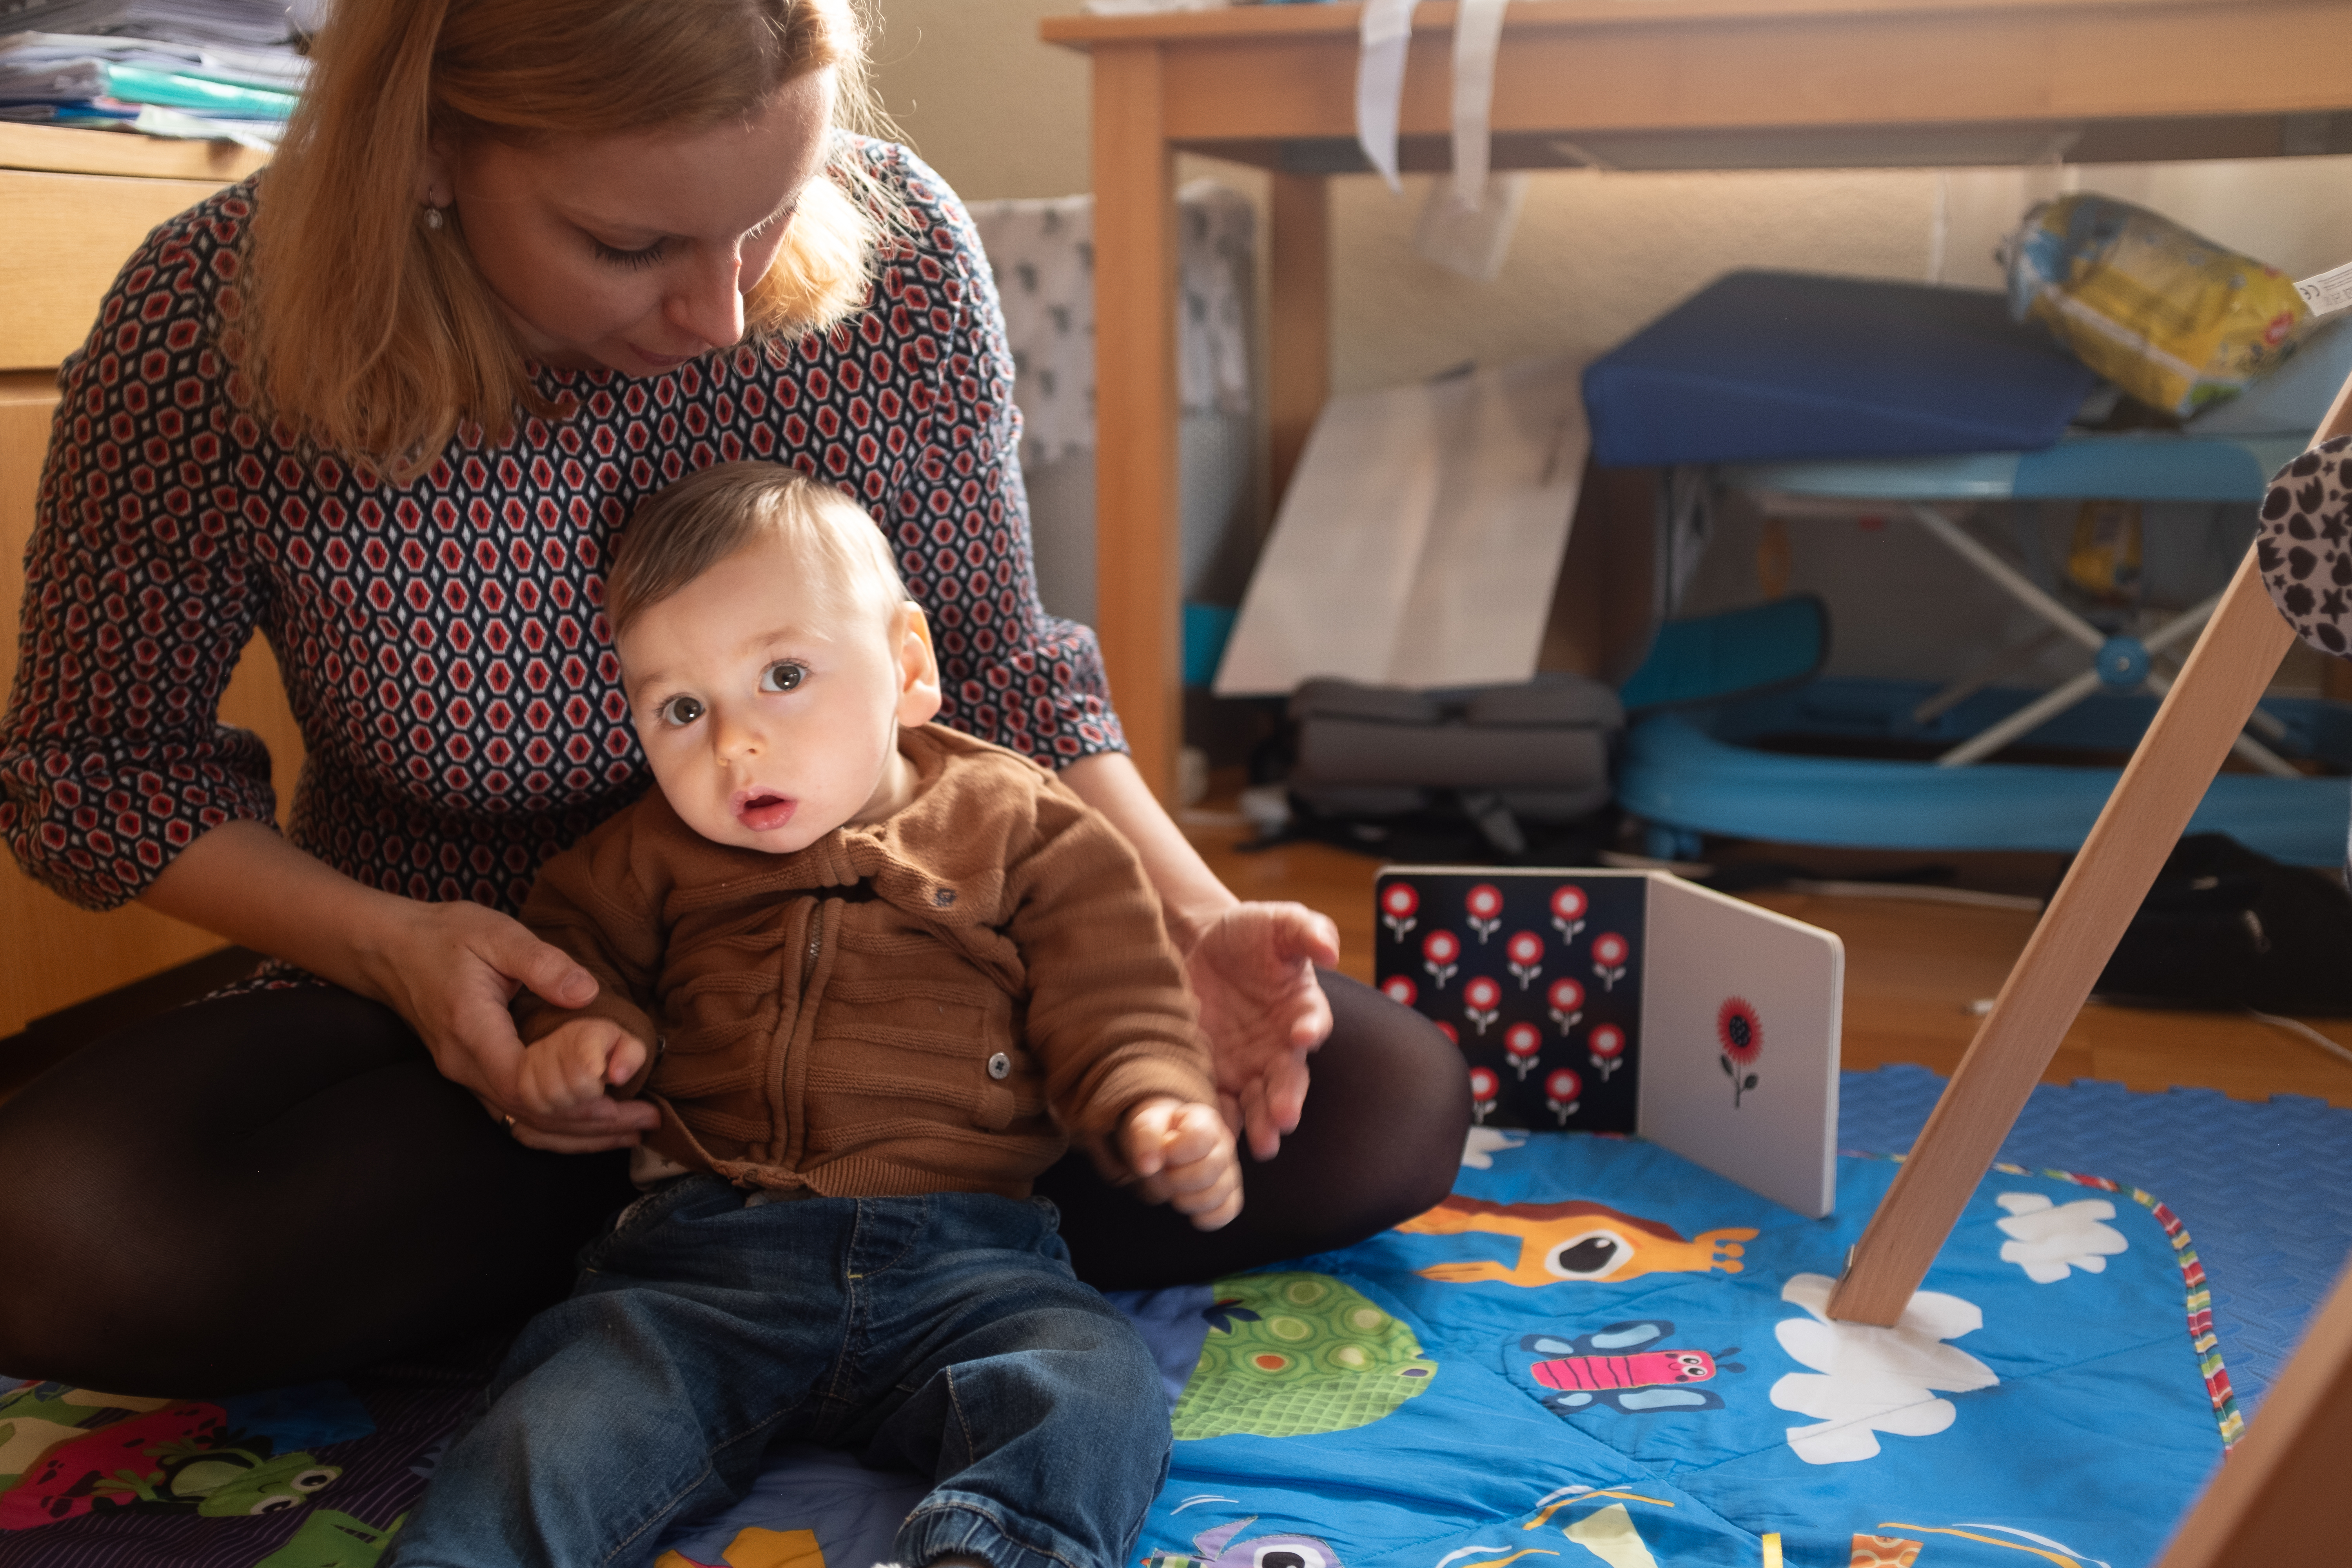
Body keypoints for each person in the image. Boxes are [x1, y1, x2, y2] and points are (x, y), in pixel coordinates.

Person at [0, 0, 1467, 1397]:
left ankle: (712, 1260)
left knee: (1379, 1105)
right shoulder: (214, 320)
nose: (719, 310)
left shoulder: (898, 256)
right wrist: (399, 952)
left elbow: (995, 670)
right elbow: (95, 768)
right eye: (629, 245)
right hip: (485, 1026)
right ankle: (797, 1244)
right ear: (431, 147)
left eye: (768, 215)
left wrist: (1190, 917)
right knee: (61, 1231)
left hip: (919, 992)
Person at [381, 460, 1230, 1568]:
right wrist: (578, 1039)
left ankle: (994, 1552)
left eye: (784, 676)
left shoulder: (1025, 825)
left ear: (908, 667)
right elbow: (573, 960)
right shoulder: (641, 855)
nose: (733, 743)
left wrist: (1156, 1098)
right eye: (682, 709)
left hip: (972, 1262)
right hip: (706, 1267)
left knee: (1095, 1385)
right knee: (556, 1418)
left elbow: (1113, 990)